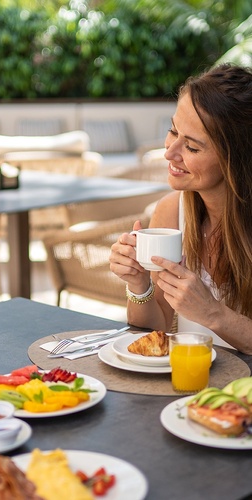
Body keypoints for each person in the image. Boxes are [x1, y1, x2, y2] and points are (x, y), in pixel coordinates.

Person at [109, 63, 252, 355]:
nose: (169, 153)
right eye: (174, 131)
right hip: (189, 394)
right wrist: (139, 286)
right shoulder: (171, 213)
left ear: (235, 160)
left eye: (193, 147)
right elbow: (154, 332)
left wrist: (213, 313)